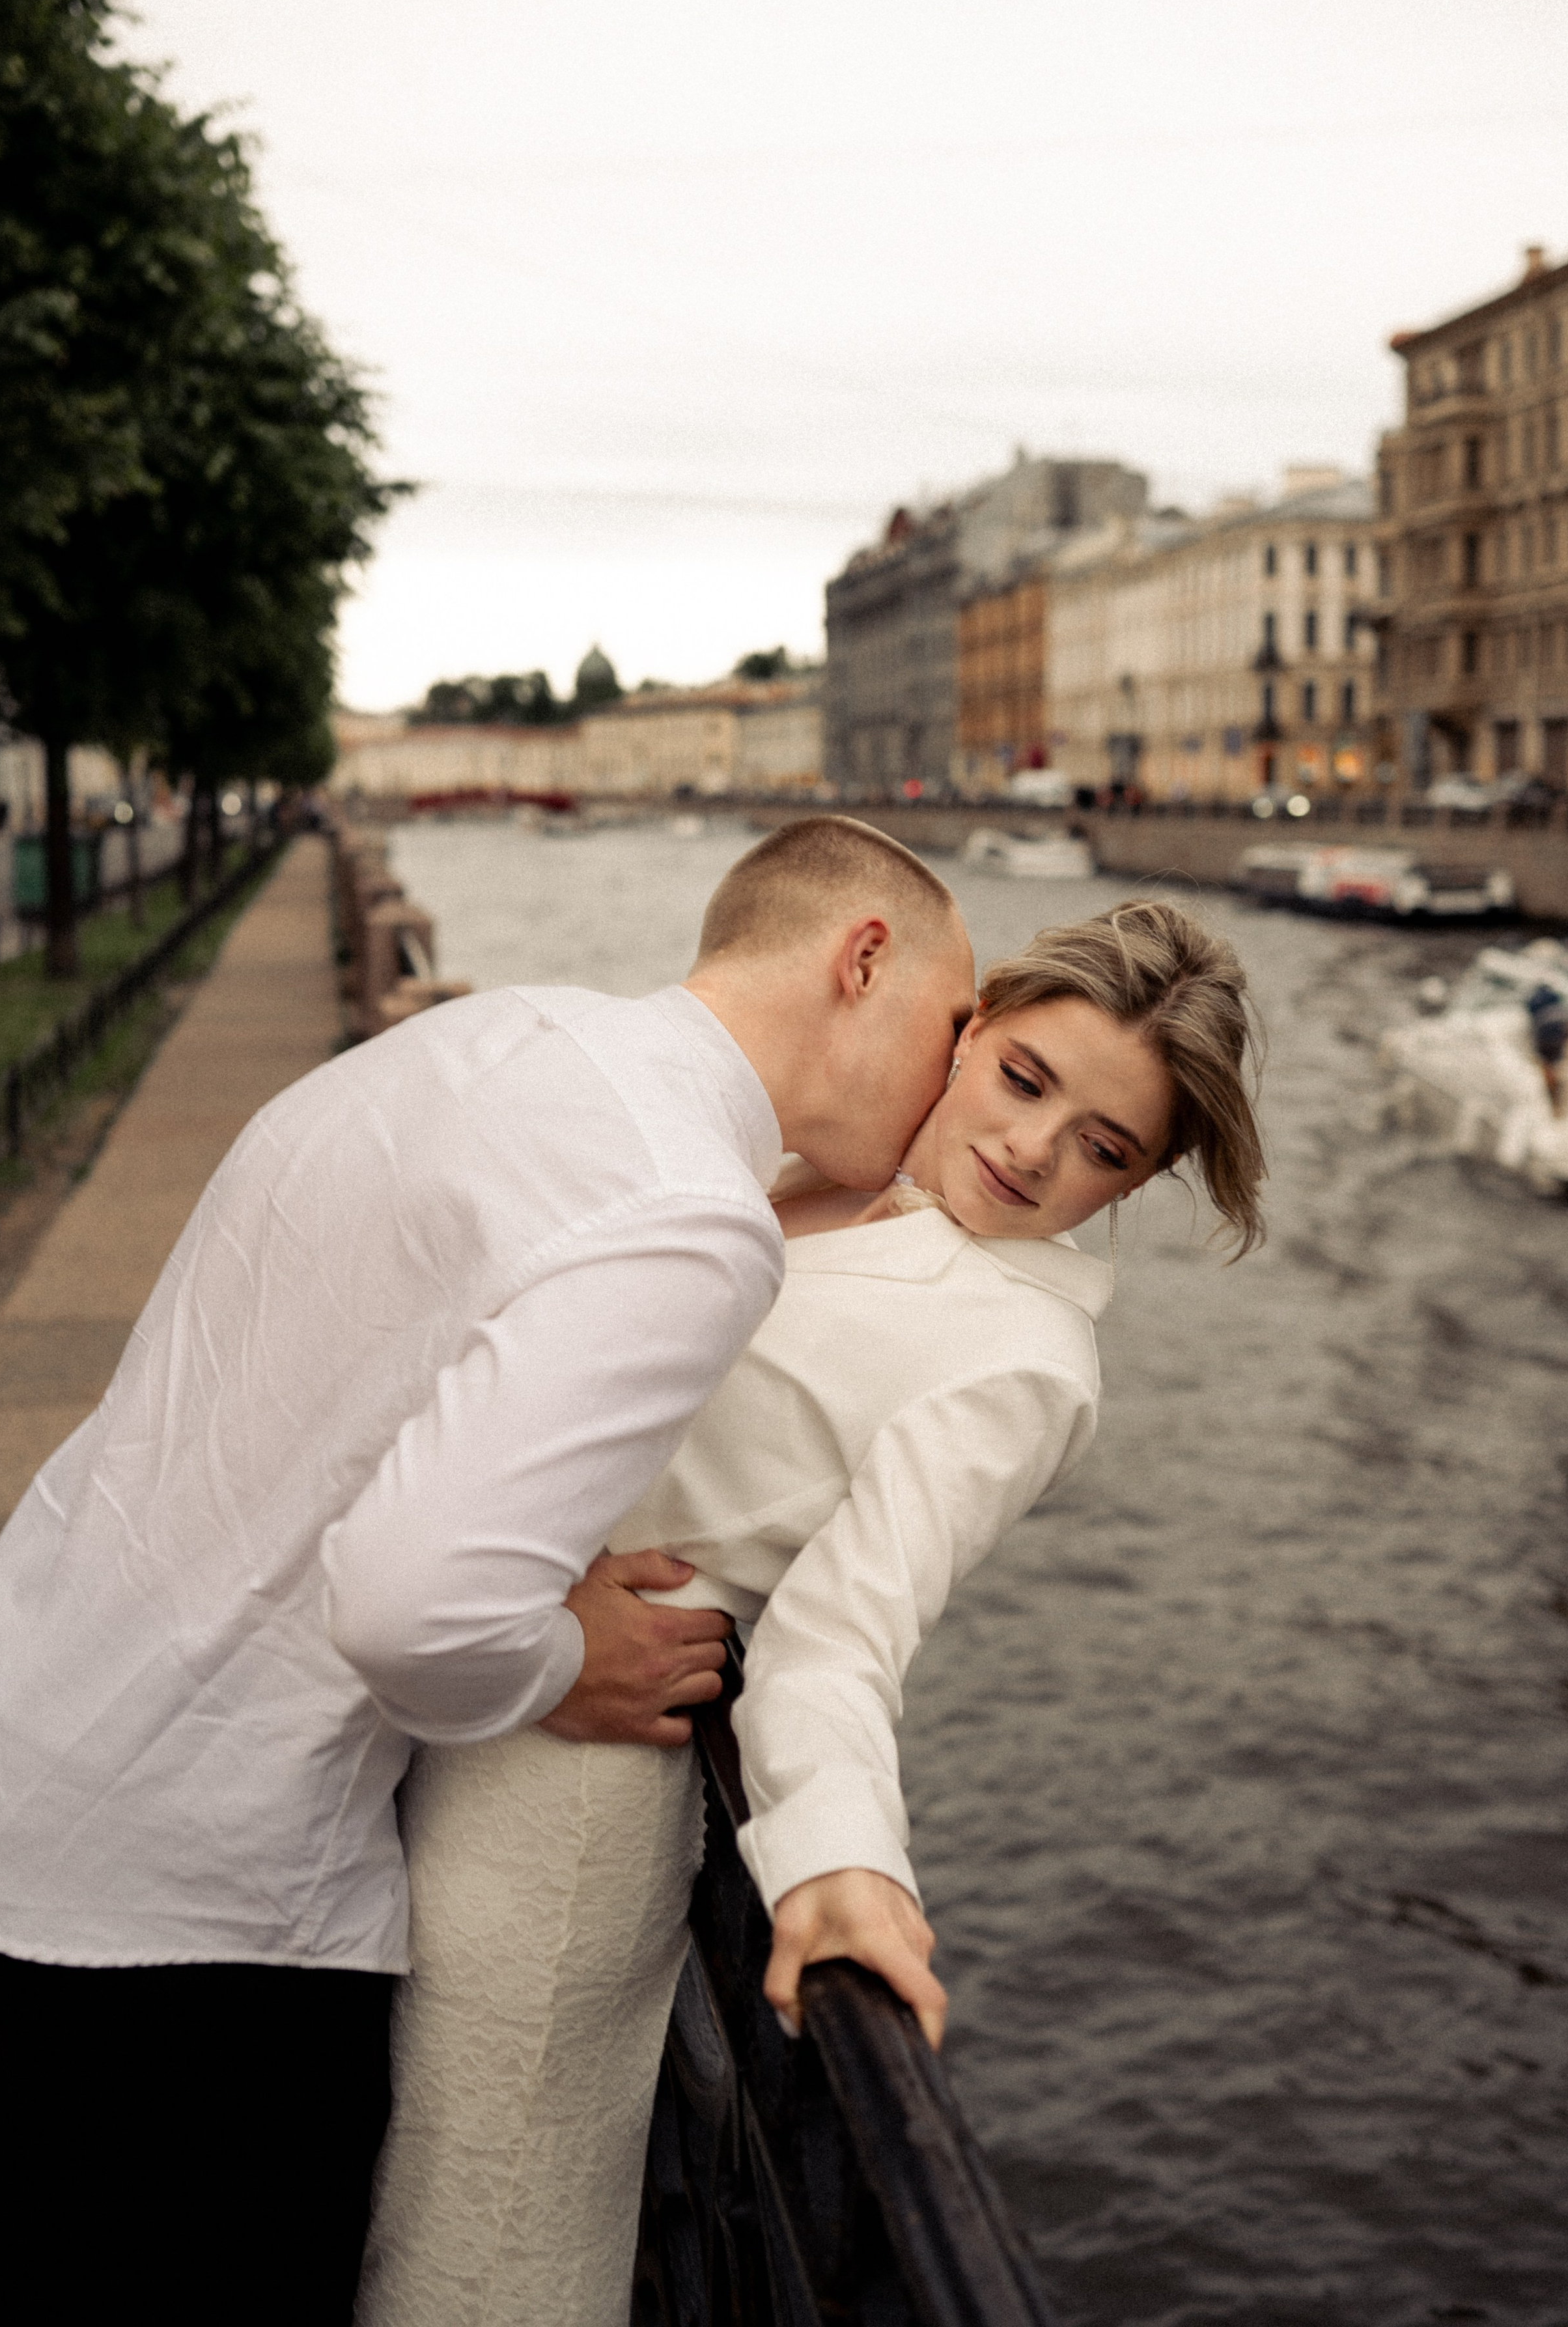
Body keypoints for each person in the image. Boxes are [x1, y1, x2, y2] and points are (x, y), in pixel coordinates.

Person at [0, 816, 976, 2327]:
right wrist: (575, 1662)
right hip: (194, 1925)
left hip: (23, 1743)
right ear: (862, 960)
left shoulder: (503, 1040)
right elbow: (410, 1604)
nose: (955, 1083)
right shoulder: (692, 1215)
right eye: (958, 1026)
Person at [357, 899, 1266, 2327]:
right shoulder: (815, 1152)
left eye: (1103, 1148)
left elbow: (841, 1636)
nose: (1033, 1152)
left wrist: (844, 1863)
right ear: (968, 1031)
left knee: (478, 2244)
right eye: (1025, 1079)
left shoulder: (1021, 1361)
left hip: (560, 1786)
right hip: (442, 1660)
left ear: (1136, 1182)